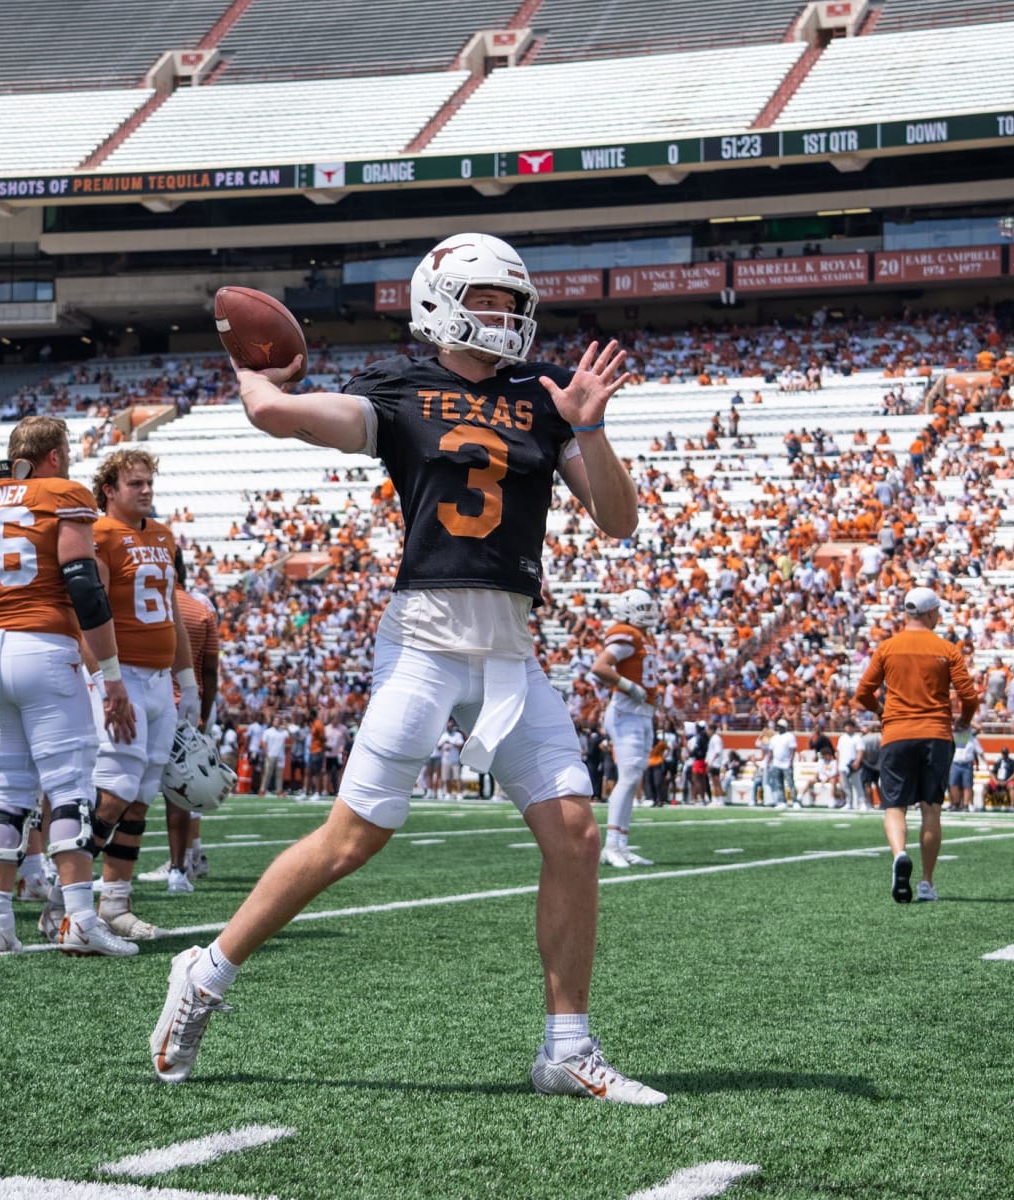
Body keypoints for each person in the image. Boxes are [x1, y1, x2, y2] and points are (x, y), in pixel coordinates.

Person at [150, 232, 665, 1105]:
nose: (506, 317)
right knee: (356, 837)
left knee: (575, 835)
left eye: (513, 303)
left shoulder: (546, 398)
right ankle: (203, 974)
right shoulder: (397, 389)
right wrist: (251, 367)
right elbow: (277, 414)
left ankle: (565, 1048)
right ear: (443, 302)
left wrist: (592, 425)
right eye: (491, 301)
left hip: (510, 648)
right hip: (424, 639)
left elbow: (618, 518)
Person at [0, 415, 138, 954]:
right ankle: (81, 920)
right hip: (44, 646)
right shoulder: (63, 492)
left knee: (8, 790)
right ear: (56, 456)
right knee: (69, 786)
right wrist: (110, 677)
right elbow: (84, 586)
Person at [71, 449, 200, 941]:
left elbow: (172, 611)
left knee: (142, 795)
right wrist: (106, 681)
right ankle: (72, 896)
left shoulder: (164, 536)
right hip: (119, 675)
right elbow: (89, 614)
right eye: (135, 484)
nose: (145, 490)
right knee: (114, 792)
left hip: (158, 681)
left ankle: (116, 903)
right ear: (109, 489)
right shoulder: (99, 535)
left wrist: (187, 682)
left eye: (148, 483)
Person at [854, 587, 978, 904]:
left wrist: (884, 712)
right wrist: (964, 720)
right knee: (931, 809)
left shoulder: (887, 647)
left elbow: (863, 693)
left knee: (894, 807)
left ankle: (899, 856)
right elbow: (970, 697)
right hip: (936, 735)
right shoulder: (946, 649)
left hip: (896, 733)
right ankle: (926, 882)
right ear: (931, 613)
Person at [137, 548, 219, 893]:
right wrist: (202, 711)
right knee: (179, 794)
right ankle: (178, 870)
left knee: (126, 789)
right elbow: (211, 670)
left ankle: (115, 872)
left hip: (146, 701)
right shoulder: (202, 608)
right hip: (186, 706)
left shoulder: (141, 602)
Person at [590, 588, 658, 867]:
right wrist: (629, 686)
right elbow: (600, 667)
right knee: (628, 777)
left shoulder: (644, 636)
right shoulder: (626, 635)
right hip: (625, 713)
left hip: (641, 713)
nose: (648, 613)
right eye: (642, 609)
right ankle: (611, 846)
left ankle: (622, 844)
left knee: (633, 778)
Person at [947, 723, 982, 811]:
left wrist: (966, 720)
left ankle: (966, 805)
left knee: (967, 785)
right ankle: (955, 804)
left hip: (967, 763)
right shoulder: (954, 732)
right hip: (956, 762)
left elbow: (979, 727)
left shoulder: (970, 733)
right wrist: (957, 721)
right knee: (953, 784)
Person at [766, 718, 797, 808]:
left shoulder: (789, 736)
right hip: (776, 763)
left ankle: (795, 801)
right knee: (779, 783)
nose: (779, 728)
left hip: (786, 763)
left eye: (781, 726)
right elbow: (771, 751)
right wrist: (769, 761)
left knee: (790, 783)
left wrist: (791, 761)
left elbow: (792, 749)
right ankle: (782, 801)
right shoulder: (774, 737)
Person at [836, 718, 865, 811]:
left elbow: (860, 751)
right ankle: (848, 803)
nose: (848, 728)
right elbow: (839, 752)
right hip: (843, 765)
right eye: (846, 726)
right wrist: (838, 764)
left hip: (853, 765)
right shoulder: (842, 738)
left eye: (850, 726)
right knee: (846, 786)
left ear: (853, 727)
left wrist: (857, 761)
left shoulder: (857, 738)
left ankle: (862, 803)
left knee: (858, 785)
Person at [436, 717, 466, 799]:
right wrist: (443, 743)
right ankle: (448, 793)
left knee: (457, 778)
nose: (450, 726)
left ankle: (459, 794)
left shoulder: (457, 735)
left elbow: (461, 746)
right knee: (446, 778)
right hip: (445, 760)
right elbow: (438, 747)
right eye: (449, 724)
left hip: (455, 760)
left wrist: (451, 743)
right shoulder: (443, 735)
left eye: (451, 724)